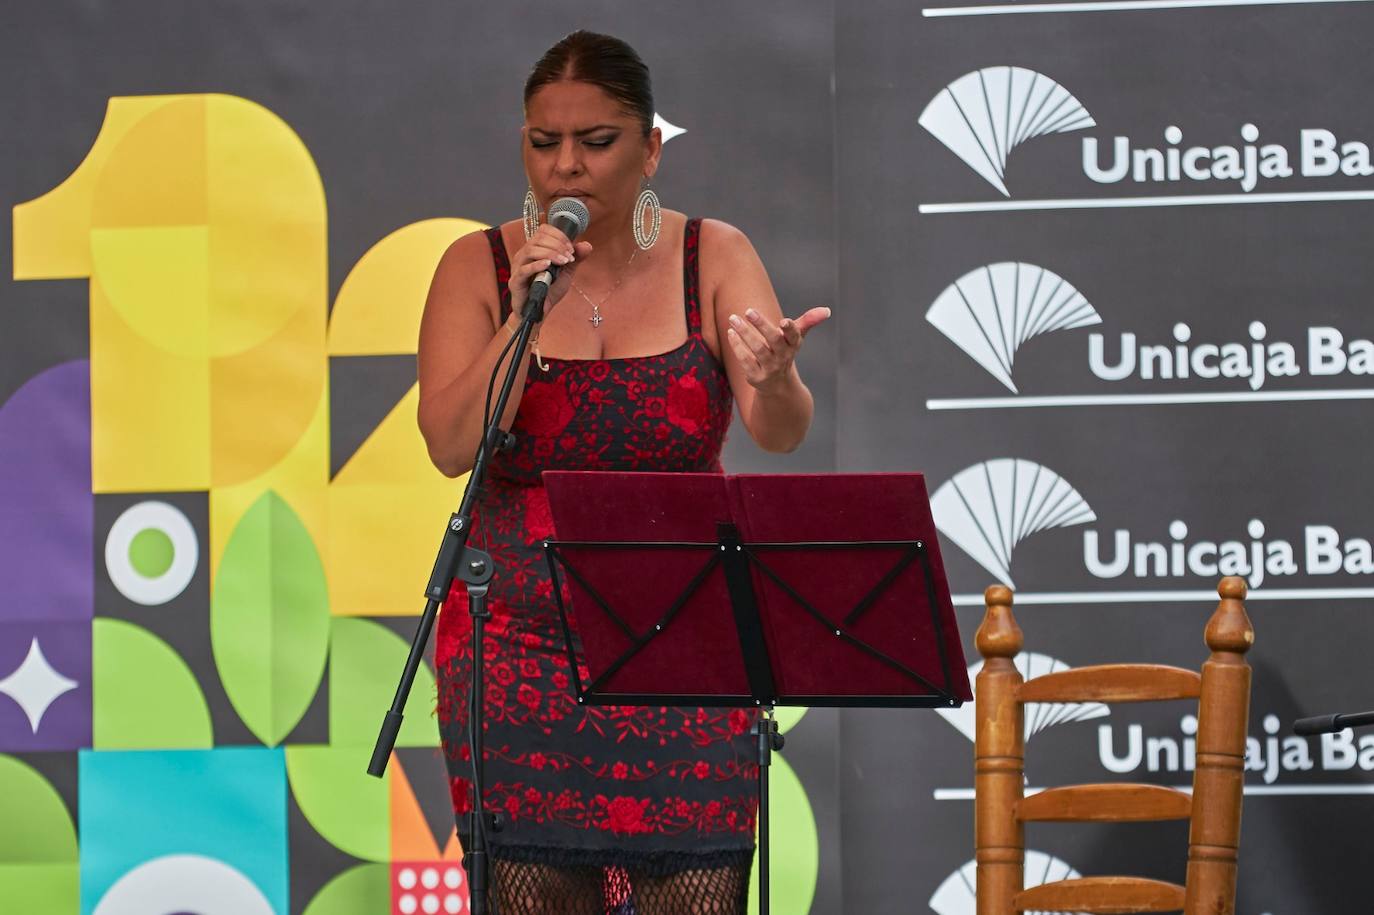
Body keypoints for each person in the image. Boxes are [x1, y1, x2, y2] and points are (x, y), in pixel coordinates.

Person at [418, 30, 829, 915]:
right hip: (516, 648)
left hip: (684, 644)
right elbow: (451, 444)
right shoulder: (480, 267)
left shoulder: (710, 255)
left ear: (649, 149)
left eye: (596, 142)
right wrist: (526, 318)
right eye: (543, 141)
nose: (566, 165)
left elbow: (780, 429)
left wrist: (777, 377)